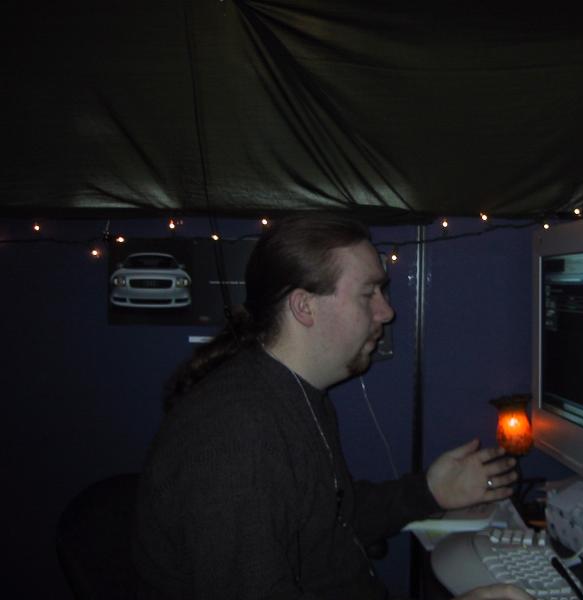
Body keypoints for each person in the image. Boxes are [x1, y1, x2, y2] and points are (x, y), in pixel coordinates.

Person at [133, 212, 532, 600]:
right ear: (304, 307)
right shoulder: (235, 436)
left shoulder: (297, 395)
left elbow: (330, 518)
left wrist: (429, 490)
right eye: (368, 293)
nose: (387, 312)